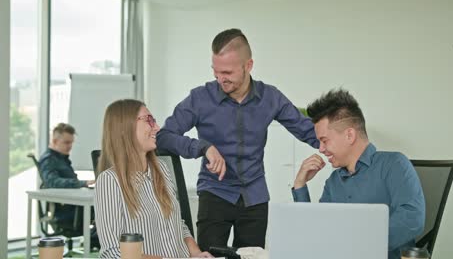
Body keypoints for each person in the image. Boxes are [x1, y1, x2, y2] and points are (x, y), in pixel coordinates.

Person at [157, 28, 320, 251]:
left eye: (228, 72)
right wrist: (203, 147)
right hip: (214, 194)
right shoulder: (199, 98)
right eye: (216, 72)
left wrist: (345, 149)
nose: (221, 79)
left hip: (255, 197)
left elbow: (308, 131)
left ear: (248, 65)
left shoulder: (271, 97)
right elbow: (164, 137)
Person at [291, 89, 425, 259]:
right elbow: (317, 233)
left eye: (324, 140)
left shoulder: (394, 164)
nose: (321, 149)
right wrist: (300, 185)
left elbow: (411, 219)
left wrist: (359, 246)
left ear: (349, 135)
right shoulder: (334, 182)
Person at [94, 99, 213, 258]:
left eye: (154, 121)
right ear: (124, 129)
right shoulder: (109, 181)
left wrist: (197, 254)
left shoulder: (162, 170)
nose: (156, 127)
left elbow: (178, 224)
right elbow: (112, 252)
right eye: (148, 120)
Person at [39, 123, 97, 244]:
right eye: (66, 142)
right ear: (55, 141)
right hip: (66, 212)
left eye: (71, 142)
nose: (70, 146)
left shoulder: (63, 159)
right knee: (102, 209)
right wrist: (83, 183)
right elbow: (52, 182)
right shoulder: (48, 159)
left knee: (105, 206)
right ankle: (95, 240)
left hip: (75, 207)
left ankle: (95, 240)